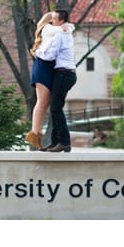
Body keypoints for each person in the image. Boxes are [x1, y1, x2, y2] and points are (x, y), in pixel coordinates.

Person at [26, 11, 73, 149]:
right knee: (42, 102)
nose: (53, 21)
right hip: (43, 67)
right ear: (48, 21)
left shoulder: (55, 31)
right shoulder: (48, 29)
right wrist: (68, 26)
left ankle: (44, 136)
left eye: (54, 19)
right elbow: (63, 28)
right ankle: (35, 133)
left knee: (48, 103)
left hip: (50, 68)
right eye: (51, 19)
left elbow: (65, 28)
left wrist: (69, 27)